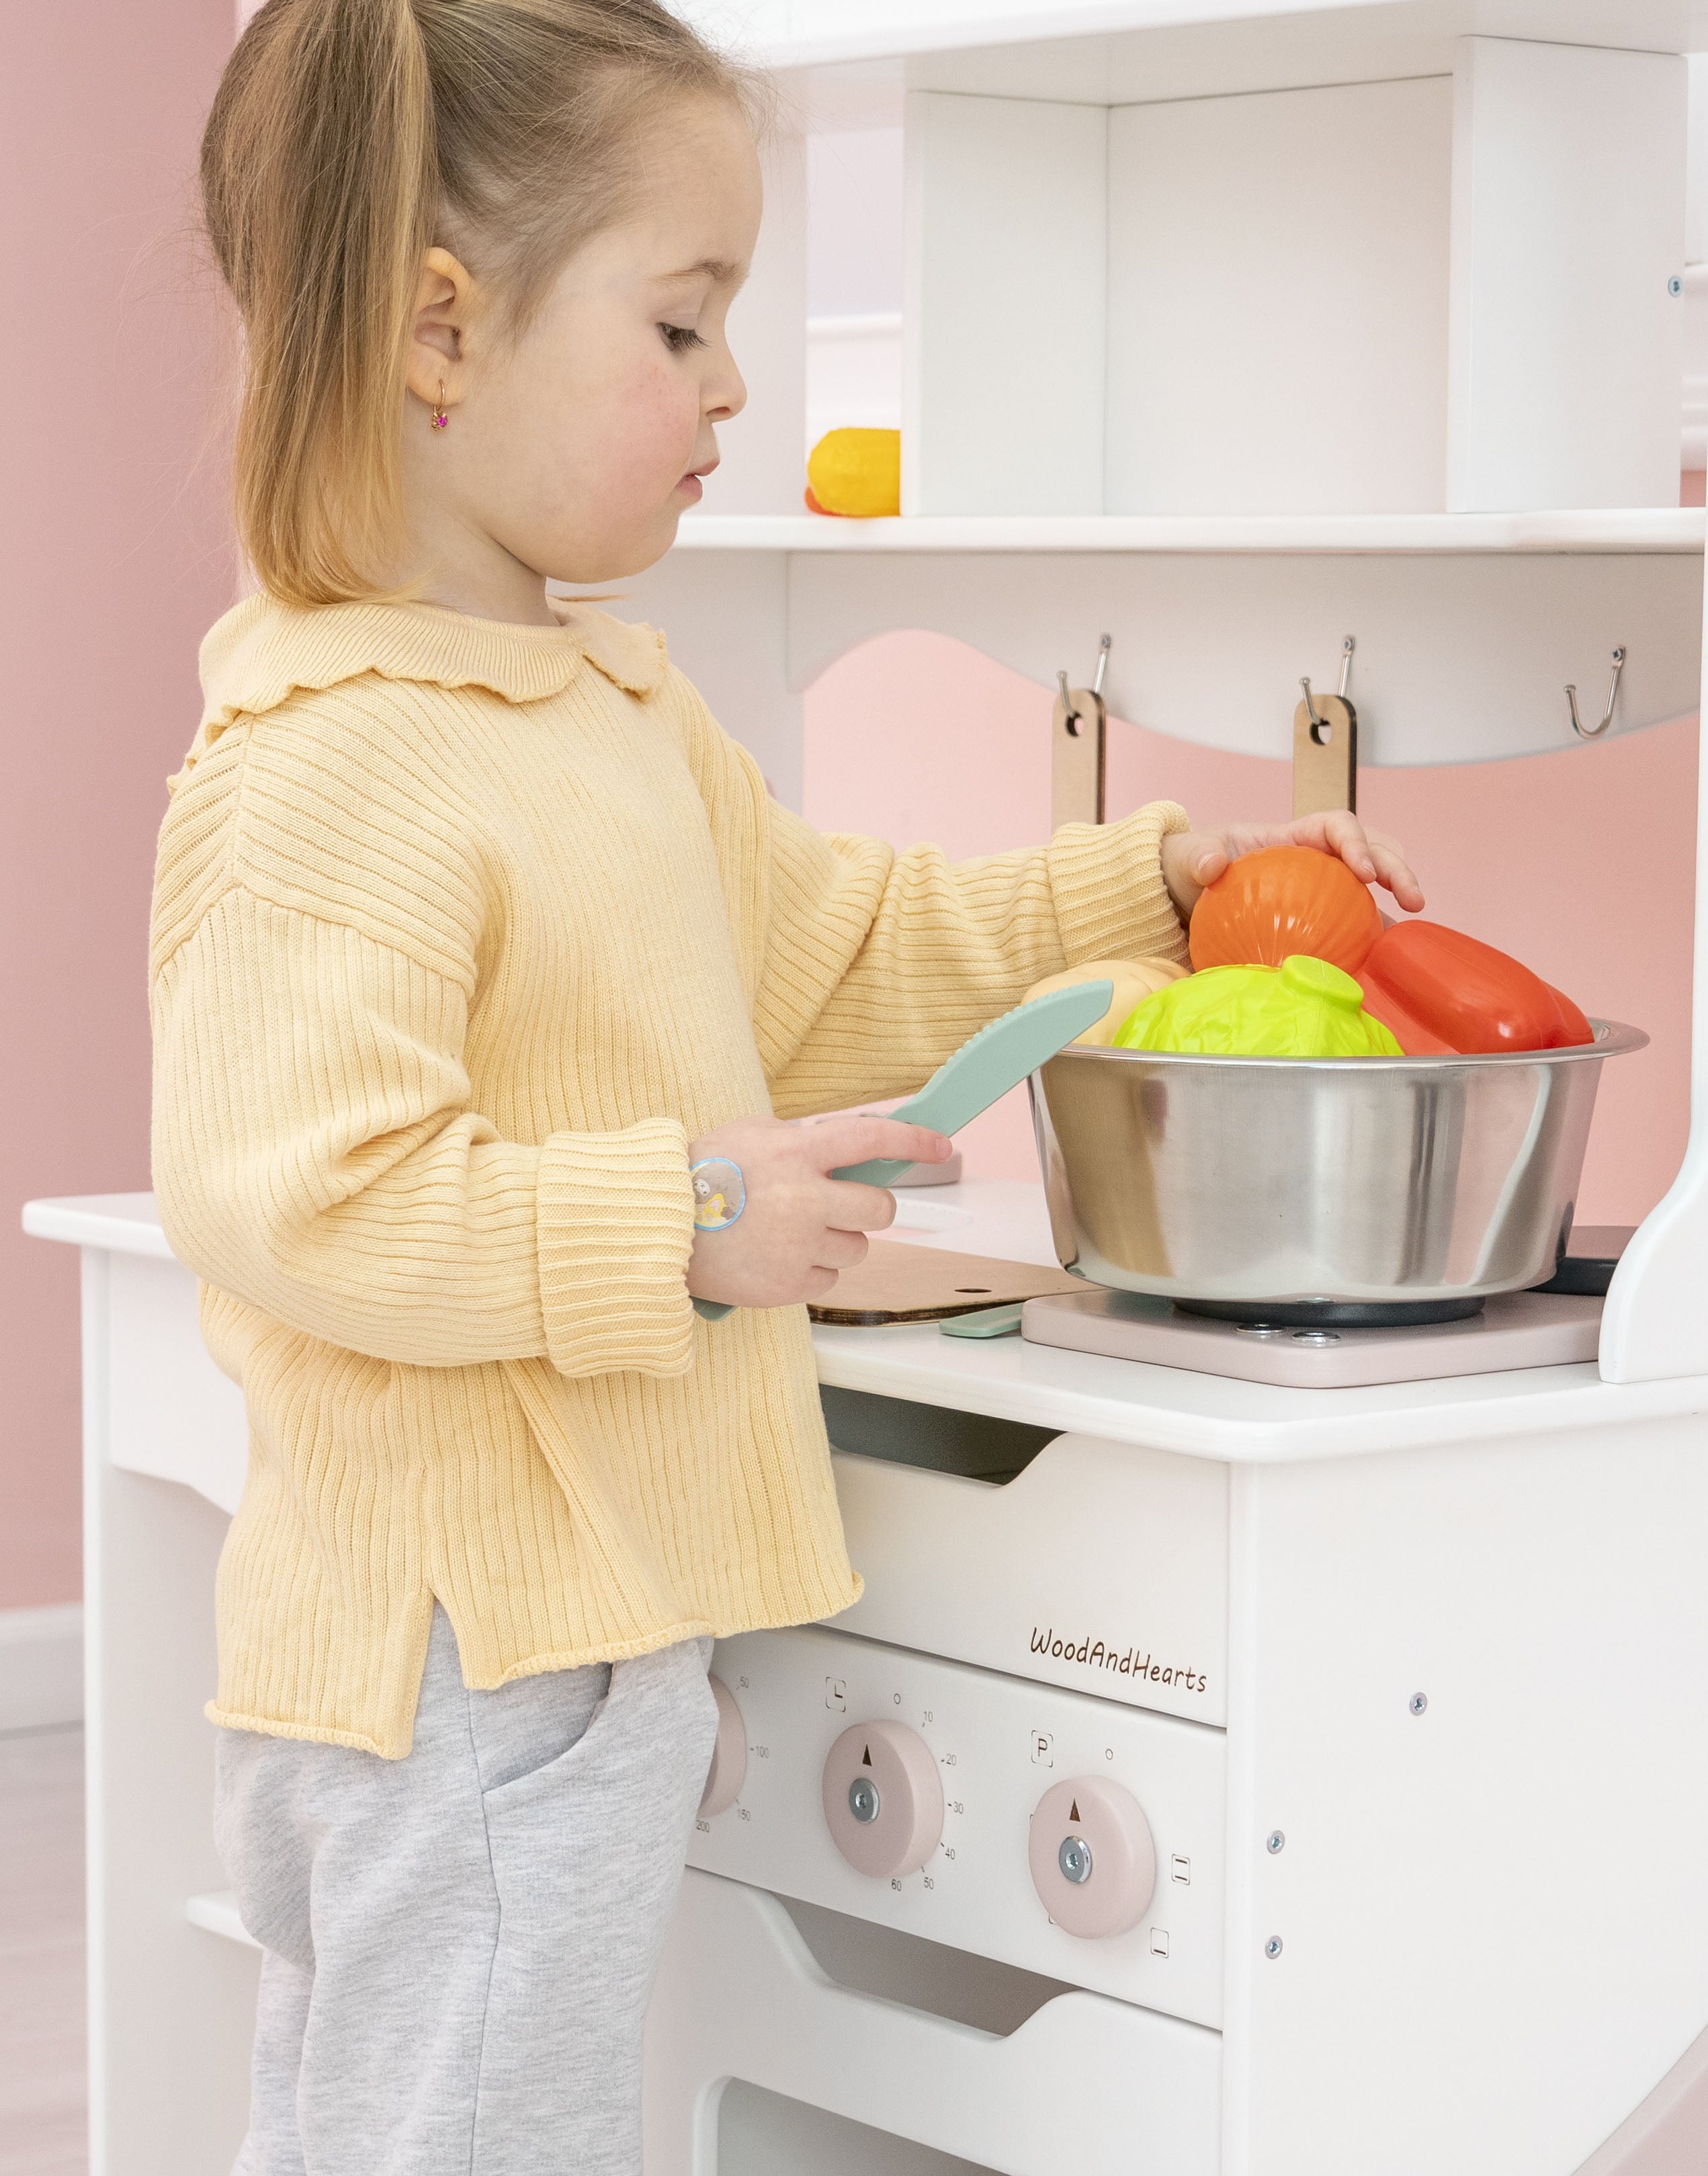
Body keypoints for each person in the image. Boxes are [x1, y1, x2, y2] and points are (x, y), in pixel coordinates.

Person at [154, 3, 1424, 2169]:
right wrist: (683, 1217)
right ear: (441, 335)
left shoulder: (605, 708)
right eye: (683, 317)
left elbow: (829, 952)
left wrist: (1148, 883)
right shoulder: (338, 753)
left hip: (560, 1639)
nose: (739, 382)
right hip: (470, 1653)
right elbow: (308, 1196)